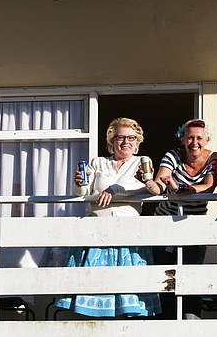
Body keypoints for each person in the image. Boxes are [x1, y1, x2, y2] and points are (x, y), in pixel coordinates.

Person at [55, 117, 162, 317]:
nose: (125, 142)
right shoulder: (99, 162)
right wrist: (79, 182)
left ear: (137, 142)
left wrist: (114, 189)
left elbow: (142, 187)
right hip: (96, 231)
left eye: (131, 138)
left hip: (128, 233)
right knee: (94, 290)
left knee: (126, 292)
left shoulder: (142, 162)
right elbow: (82, 193)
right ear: (112, 141)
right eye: (120, 137)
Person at [153, 119, 217, 319]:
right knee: (165, 277)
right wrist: (162, 184)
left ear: (206, 139)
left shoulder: (213, 158)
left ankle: (191, 324)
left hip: (194, 227)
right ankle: (167, 324)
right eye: (190, 137)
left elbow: (209, 186)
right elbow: (161, 179)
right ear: (182, 139)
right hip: (165, 225)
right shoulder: (173, 155)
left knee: (191, 277)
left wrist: (182, 189)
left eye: (199, 137)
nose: (194, 142)